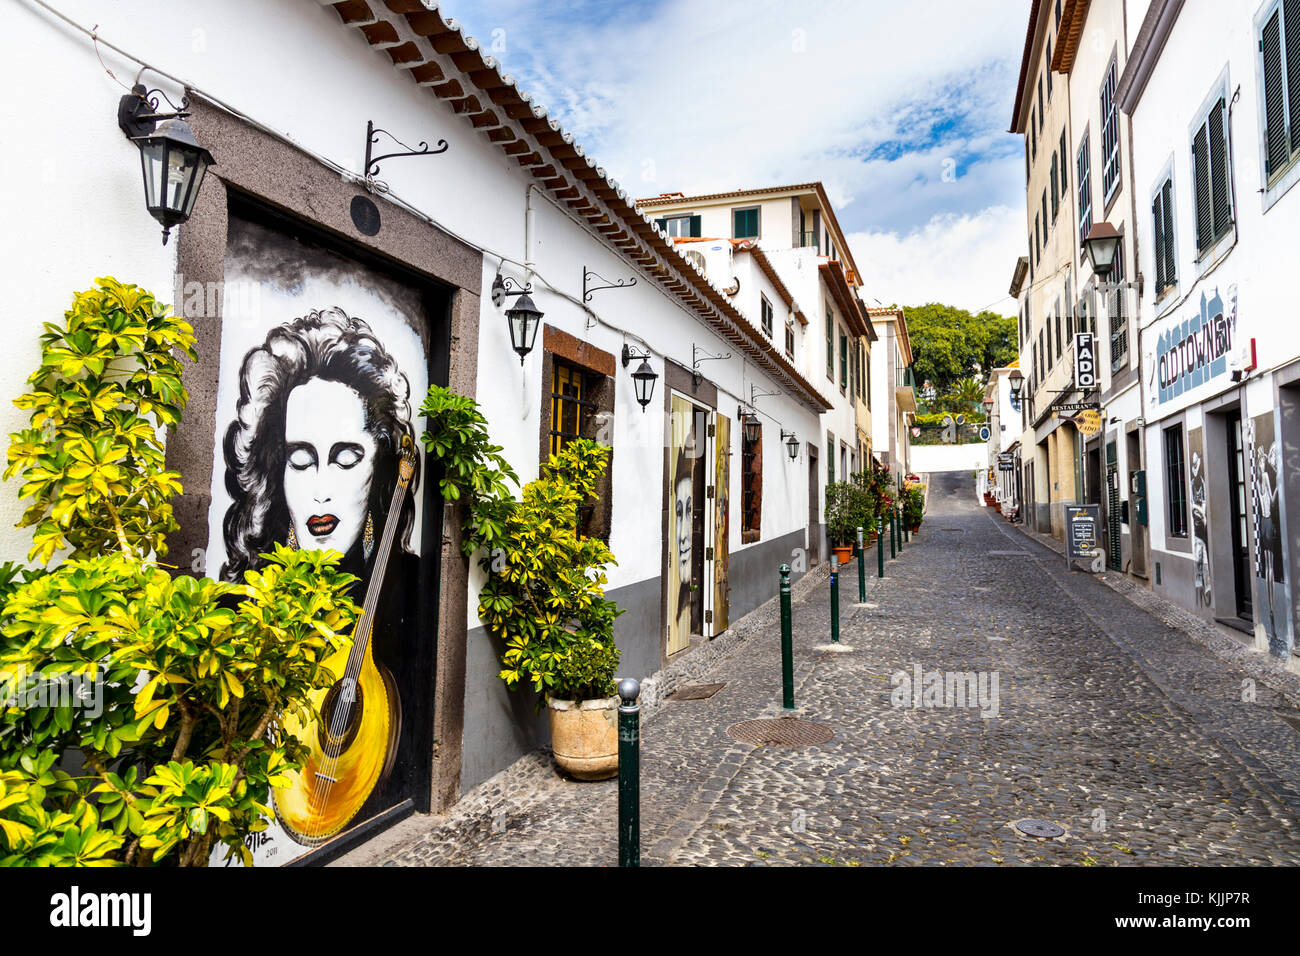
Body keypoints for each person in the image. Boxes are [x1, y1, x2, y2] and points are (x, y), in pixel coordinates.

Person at [219, 306, 424, 844]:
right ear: (273, 467)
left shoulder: (410, 583)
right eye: (301, 458)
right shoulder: (242, 598)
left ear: (381, 465)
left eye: (347, 456)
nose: (322, 489)